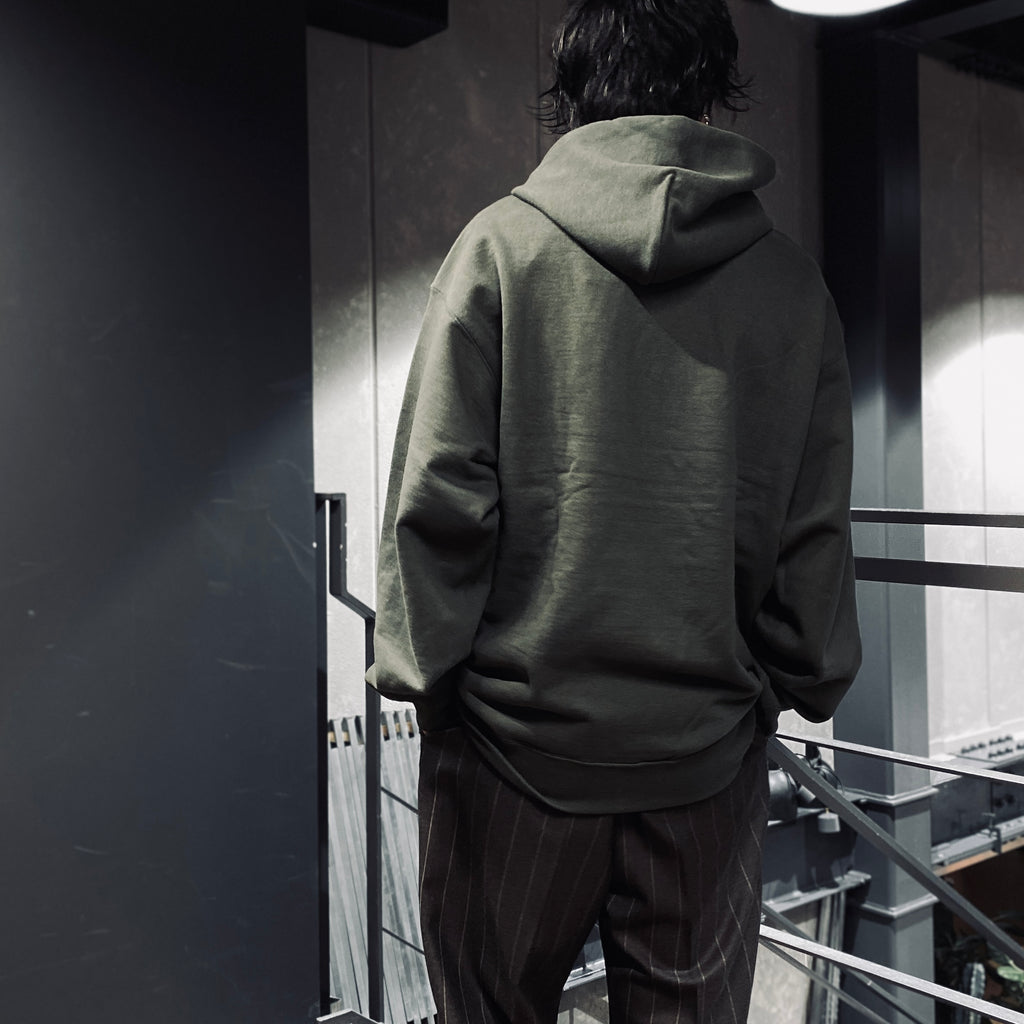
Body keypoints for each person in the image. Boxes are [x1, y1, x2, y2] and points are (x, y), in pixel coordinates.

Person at [367, 0, 862, 1020]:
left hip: (510, 754)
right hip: (705, 761)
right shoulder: (790, 287)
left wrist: (425, 678)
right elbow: (809, 528)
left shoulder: (499, 250)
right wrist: (799, 678)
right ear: (714, 88)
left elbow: (439, 500)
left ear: (573, 90)